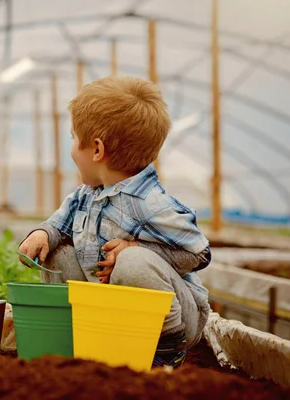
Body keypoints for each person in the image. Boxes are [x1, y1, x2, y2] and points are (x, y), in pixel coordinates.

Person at [18, 76, 211, 369]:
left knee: (133, 261)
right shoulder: (86, 196)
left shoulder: (150, 203)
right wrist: (42, 234)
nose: (70, 148)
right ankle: (71, 339)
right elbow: (59, 225)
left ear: (96, 150)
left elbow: (199, 253)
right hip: (113, 311)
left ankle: (165, 354)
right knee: (59, 253)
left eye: (73, 137)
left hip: (177, 318)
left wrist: (135, 247)